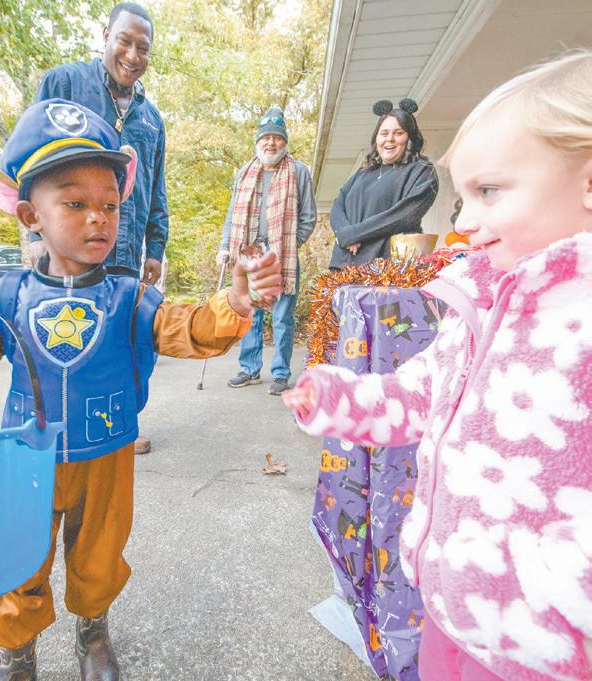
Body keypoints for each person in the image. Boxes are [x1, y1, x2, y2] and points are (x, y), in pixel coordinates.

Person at [0, 99, 281, 681]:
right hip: (25, 456)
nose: (98, 218)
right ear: (30, 215)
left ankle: (92, 628)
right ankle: (16, 645)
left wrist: (236, 303)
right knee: (18, 556)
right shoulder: (7, 295)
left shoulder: (129, 297)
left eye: (110, 205)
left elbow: (189, 327)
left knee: (100, 552)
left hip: (106, 453)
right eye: (75, 203)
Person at [283, 50, 592, 681]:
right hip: (448, 610)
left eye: (488, 191)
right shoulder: (477, 301)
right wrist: (339, 398)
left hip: (541, 650)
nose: (466, 220)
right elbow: (418, 392)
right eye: (464, 196)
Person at [33, 1, 167, 455]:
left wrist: (156, 246)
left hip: (126, 248)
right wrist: (34, 237)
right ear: (106, 36)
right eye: (125, 42)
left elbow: (156, 184)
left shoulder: (151, 118)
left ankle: (122, 421)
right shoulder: (64, 84)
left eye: (143, 48)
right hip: (68, 248)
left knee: (128, 344)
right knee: (67, 339)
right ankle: (60, 426)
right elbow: (32, 165)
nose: (132, 55)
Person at [217, 106, 317, 396]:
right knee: (251, 313)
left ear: (284, 141)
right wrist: (225, 246)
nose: (271, 142)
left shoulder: (298, 171)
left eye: (277, 137)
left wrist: (287, 246)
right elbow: (232, 214)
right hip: (249, 252)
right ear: (258, 141)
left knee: (283, 316)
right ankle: (249, 369)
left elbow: (308, 217)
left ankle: (281, 373)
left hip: (281, 254)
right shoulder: (245, 173)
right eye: (266, 137)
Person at [328, 99, 438, 269]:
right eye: (384, 133)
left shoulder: (422, 171)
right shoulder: (364, 172)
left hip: (385, 269)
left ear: (410, 137)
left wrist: (355, 234)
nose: (390, 139)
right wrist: (344, 233)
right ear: (376, 138)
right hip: (344, 266)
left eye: (398, 133)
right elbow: (338, 205)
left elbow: (404, 215)